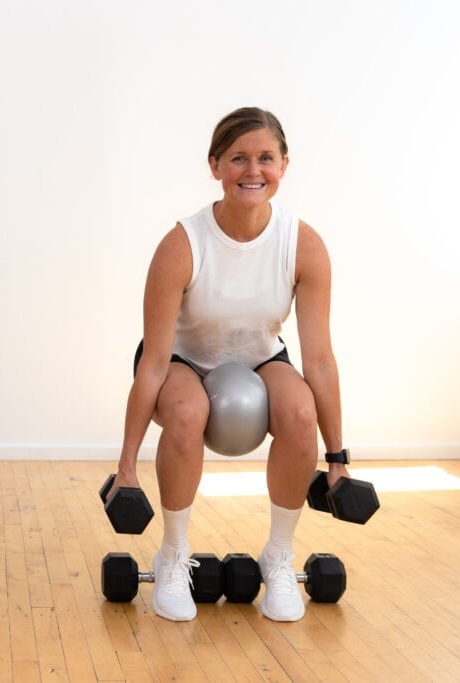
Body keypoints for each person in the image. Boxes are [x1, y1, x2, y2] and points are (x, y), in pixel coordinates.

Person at [112, 107, 352, 622]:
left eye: (266, 158)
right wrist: (126, 467)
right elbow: (152, 363)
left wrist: (337, 459)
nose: (252, 170)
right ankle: (174, 556)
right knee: (185, 411)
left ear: (285, 164)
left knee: (298, 412)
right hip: (183, 359)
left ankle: (279, 557)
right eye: (238, 158)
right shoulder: (183, 243)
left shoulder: (302, 243)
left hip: (260, 356)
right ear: (215, 165)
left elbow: (320, 360)